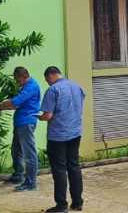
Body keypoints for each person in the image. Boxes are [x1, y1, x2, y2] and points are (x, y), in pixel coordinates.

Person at [39, 66, 85, 212]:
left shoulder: (53, 90)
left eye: (47, 80)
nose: (48, 83)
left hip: (58, 136)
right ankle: (77, 202)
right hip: (75, 133)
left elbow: (48, 115)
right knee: (74, 166)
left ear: (50, 76)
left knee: (59, 170)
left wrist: (40, 117)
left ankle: (61, 205)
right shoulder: (76, 86)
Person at [0, 66, 41, 191]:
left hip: (27, 122)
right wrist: (4, 106)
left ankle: (30, 183)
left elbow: (16, 101)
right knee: (16, 150)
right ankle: (18, 175)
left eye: (17, 80)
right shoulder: (25, 87)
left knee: (29, 153)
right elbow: (16, 105)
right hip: (20, 122)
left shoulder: (31, 86)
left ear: (23, 76)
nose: (17, 82)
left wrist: (1, 105)